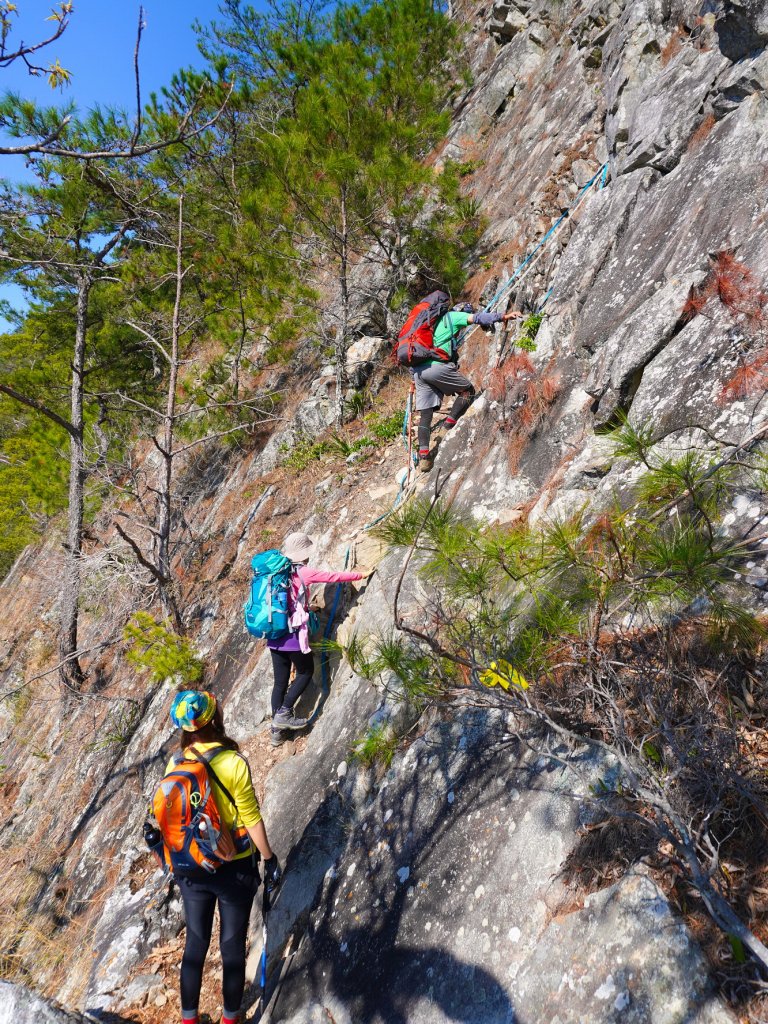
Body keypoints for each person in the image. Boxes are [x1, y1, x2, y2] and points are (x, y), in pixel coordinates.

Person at [166, 690, 282, 1024]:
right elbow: (251, 817)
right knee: (231, 947)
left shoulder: (176, 762)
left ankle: (189, 1019)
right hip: (233, 866)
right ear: (215, 718)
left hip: (193, 868)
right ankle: (231, 1019)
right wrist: (269, 857)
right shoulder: (232, 763)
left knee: (195, 944)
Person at [267, 532, 366, 746]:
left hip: (274, 633)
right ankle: (284, 713)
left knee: (280, 682)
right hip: (292, 634)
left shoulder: (275, 573)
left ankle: (276, 731)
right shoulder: (303, 572)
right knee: (305, 671)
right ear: (304, 555)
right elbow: (332, 577)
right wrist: (360, 575)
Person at [413, 302, 522, 471]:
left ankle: (424, 457)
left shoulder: (432, 324)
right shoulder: (454, 316)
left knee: (426, 413)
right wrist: (502, 316)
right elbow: (478, 318)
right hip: (436, 367)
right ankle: (447, 426)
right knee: (468, 391)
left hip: (419, 371)